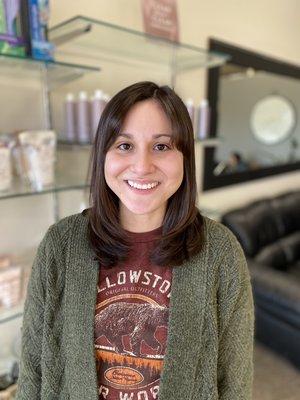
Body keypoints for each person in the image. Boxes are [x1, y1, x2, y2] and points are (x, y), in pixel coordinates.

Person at [15, 81, 254, 400]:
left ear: (185, 157)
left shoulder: (220, 251)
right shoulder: (61, 244)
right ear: (103, 155)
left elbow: (235, 379)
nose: (142, 167)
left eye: (162, 146)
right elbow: (33, 368)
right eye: (124, 145)